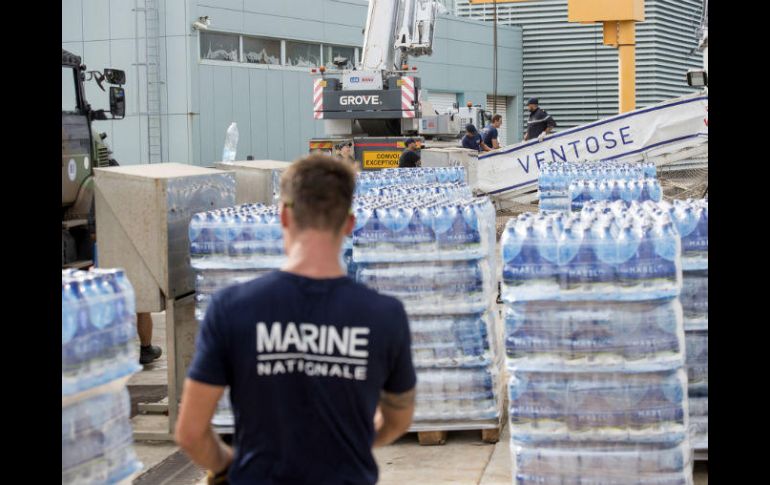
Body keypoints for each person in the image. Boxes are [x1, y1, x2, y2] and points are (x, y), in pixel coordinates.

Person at [175, 155, 417, 485]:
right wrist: (351, 443)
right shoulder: (385, 316)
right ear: (348, 223)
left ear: (284, 216)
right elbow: (399, 417)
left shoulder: (232, 308)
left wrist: (226, 464)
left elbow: (190, 432)